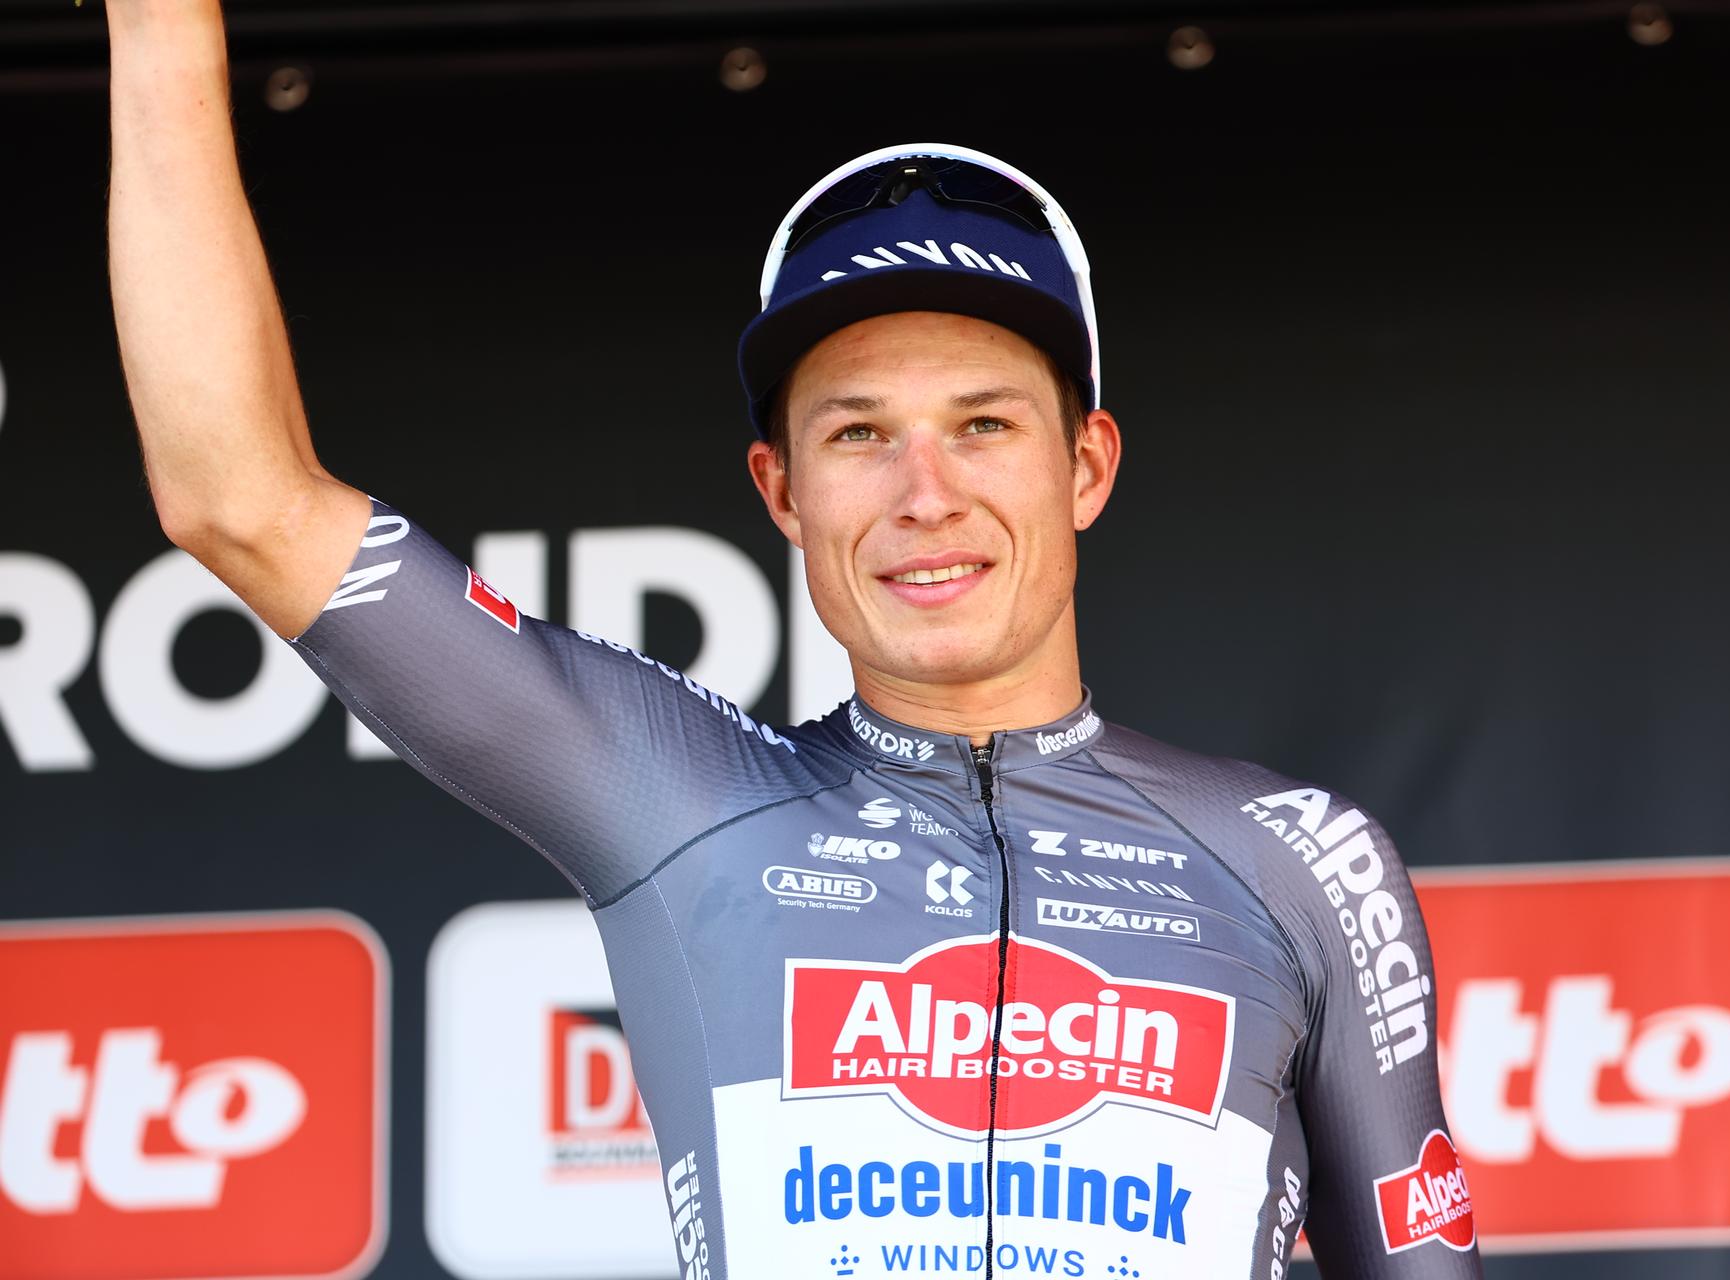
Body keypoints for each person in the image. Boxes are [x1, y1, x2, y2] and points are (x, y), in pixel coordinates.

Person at [105, 3, 1482, 1276]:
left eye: (984, 424)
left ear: (1087, 466)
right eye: (859, 433)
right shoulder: (673, 797)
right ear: (782, 489)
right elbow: (240, 500)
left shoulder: (1300, 861)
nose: (924, 492)